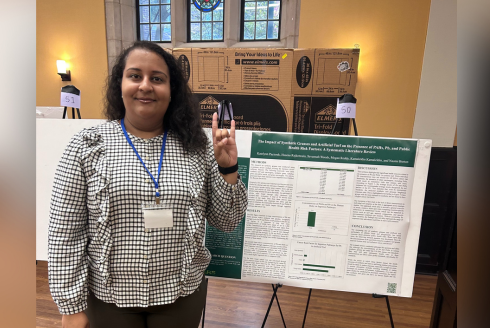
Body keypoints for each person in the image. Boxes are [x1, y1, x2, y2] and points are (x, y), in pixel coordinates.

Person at [48, 41, 248, 328]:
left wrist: (228, 167)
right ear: (120, 85)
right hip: (110, 299)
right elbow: (65, 233)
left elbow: (227, 222)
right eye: (134, 76)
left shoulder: (197, 146)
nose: (145, 86)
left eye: (157, 78)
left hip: (181, 296)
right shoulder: (87, 146)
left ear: (172, 91)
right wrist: (70, 306)